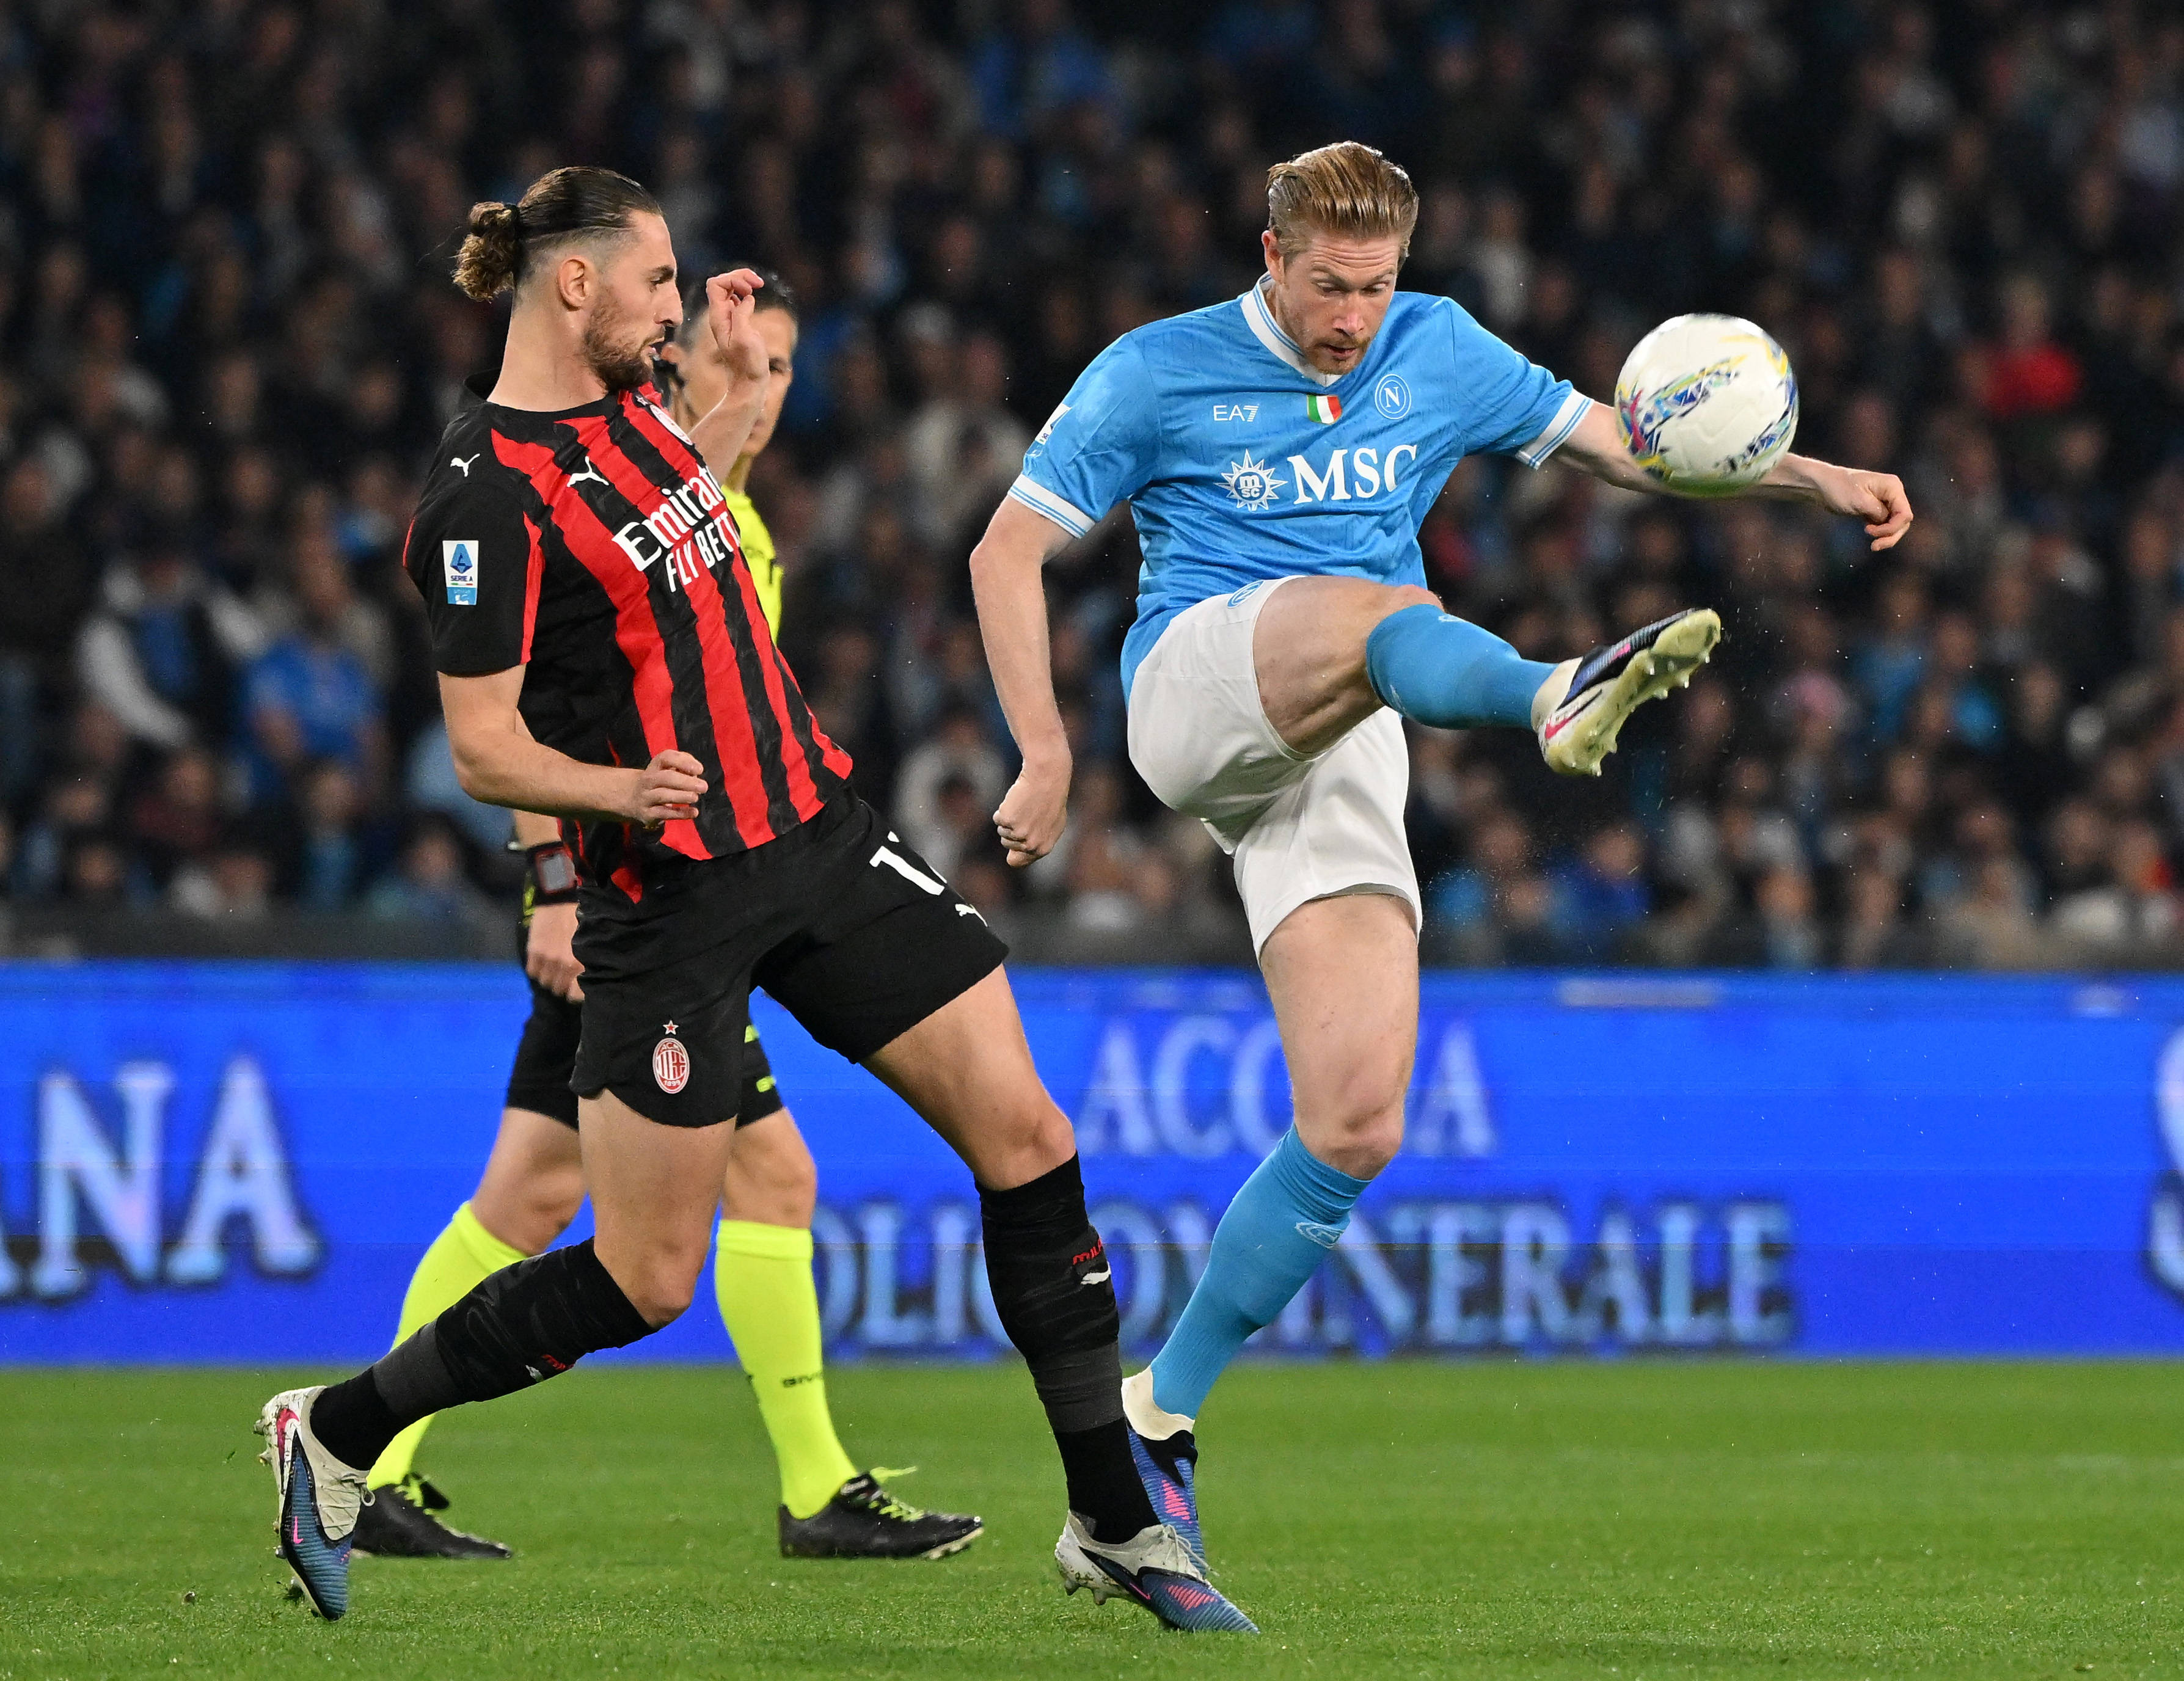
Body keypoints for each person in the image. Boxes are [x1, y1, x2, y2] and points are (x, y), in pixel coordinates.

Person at [254, 166, 1252, 1634]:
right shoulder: (481, 492)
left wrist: (722, 387)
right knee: (644, 1276)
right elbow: (480, 744)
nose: (676, 301)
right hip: (670, 899)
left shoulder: (634, 414)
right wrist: (613, 797)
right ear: (574, 283)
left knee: (1032, 1139)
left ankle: (1114, 1517)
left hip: (819, 834)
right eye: (658, 278)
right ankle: (337, 1432)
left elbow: (675, 530)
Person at [968, 141, 1913, 1602]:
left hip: (1349, 724)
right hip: (1202, 682)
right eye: (1328, 286)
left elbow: (1629, 439)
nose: (1353, 315)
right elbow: (1005, 549)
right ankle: (1549, 692)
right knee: (1380, 602)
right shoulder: (1158, 370)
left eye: (1376, 285)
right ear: (1271, 257)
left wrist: (1813, 477)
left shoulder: (1440, 345)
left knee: (1356, 1118)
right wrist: (1043, 746)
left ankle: (1152, 1425)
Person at [349, 271, 981, 1565]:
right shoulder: (623, 505)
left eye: (786, 366)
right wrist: (552, 887)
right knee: (639, 1194)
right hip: (627, 907)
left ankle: (373, 1463)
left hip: (695, 901)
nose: (766, 385)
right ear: (672, 358)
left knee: (547, 1190)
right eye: (742, 358)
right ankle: (369, 1454)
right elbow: (541, 701)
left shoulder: (726, 517)